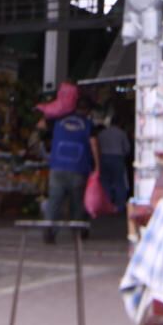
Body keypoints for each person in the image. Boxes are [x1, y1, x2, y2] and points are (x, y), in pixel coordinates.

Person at [43, 100, 99, 244]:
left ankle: (49, 230)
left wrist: (57, 110)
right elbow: (93, 144)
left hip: (57, 167)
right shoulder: (87, 124)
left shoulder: (57, 121)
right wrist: (97, 166)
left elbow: (40, 125)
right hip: (78, 168)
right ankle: (78, 232)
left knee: (55, 201)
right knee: (77, 202)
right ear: (86, 110)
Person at [96, 113, 132, 211]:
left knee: (105, 183)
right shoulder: (121, 133)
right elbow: (127, 149)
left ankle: (106, 204)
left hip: (103, 158)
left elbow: (97, 147)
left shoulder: (102, 133)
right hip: (117, 158)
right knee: (119, 182)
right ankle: (119, 206)